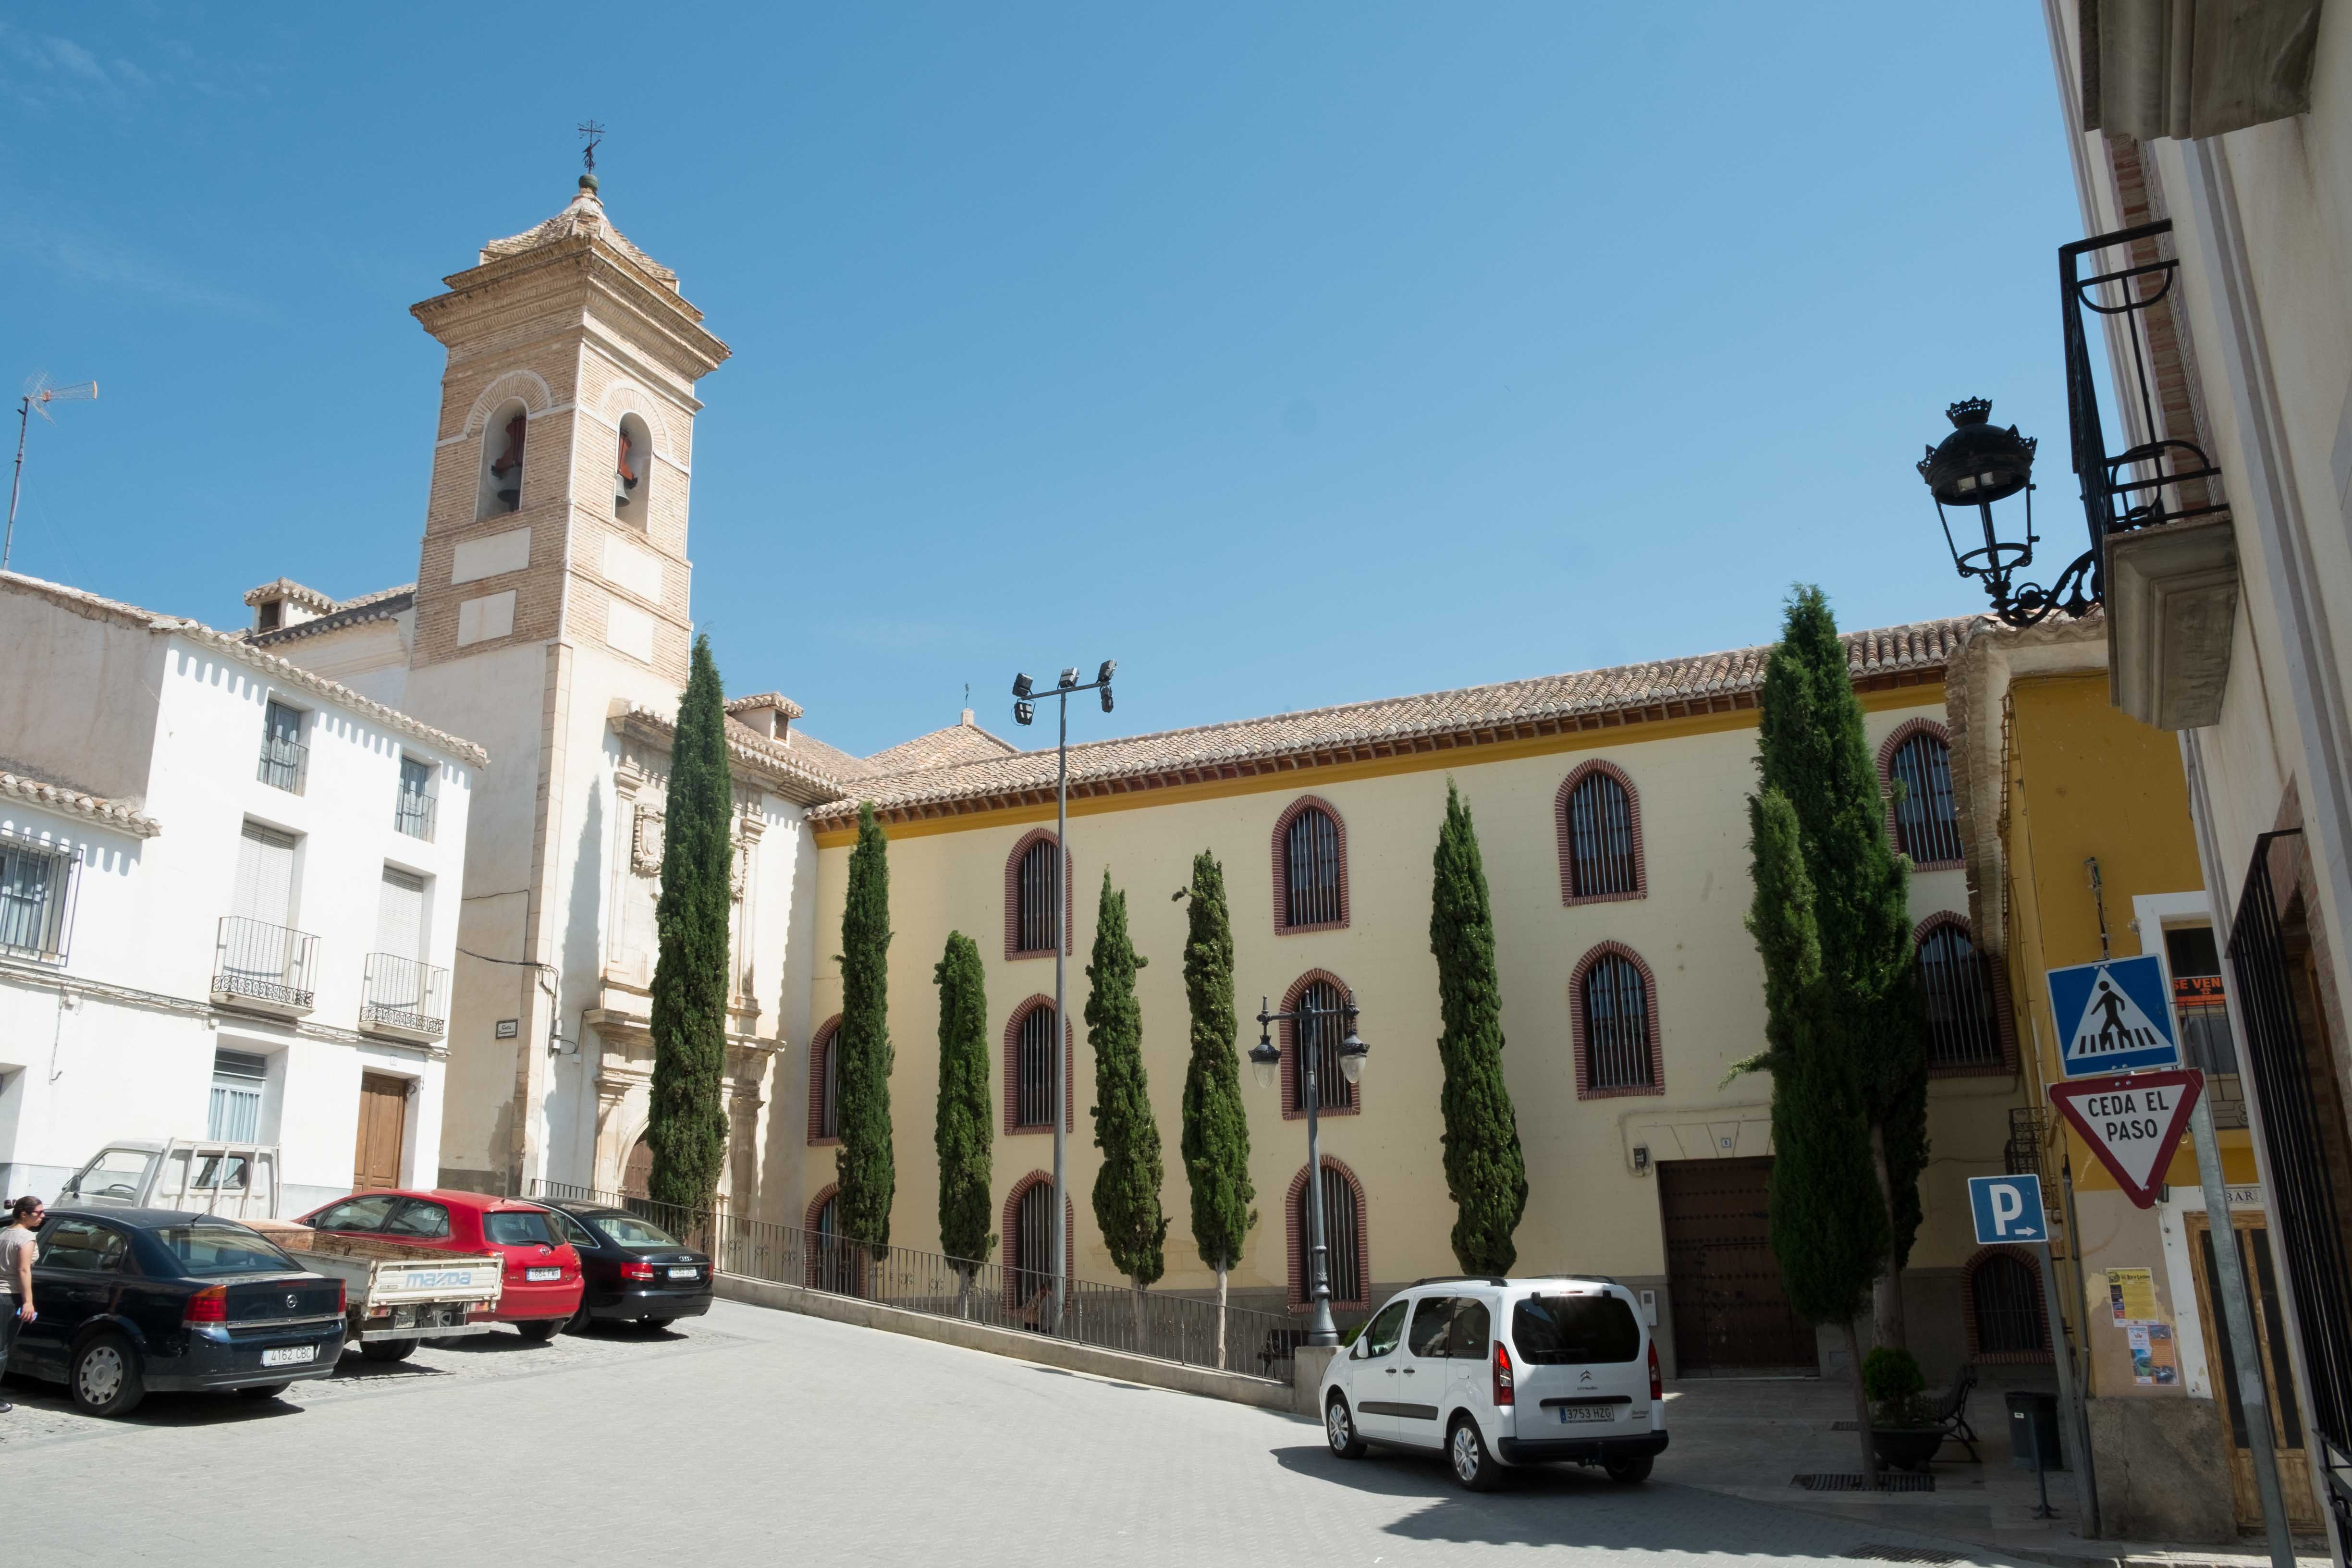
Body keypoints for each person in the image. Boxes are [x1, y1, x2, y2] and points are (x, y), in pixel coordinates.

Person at [0, 1196, 41, 1413]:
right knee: (2, 1349)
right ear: (24, 1214)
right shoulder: (26, 1238)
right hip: (10, 1296)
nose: (43, 1216)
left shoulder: (4, 1233)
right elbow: (24, 1270)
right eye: (39, 1213)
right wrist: (28, 1302)